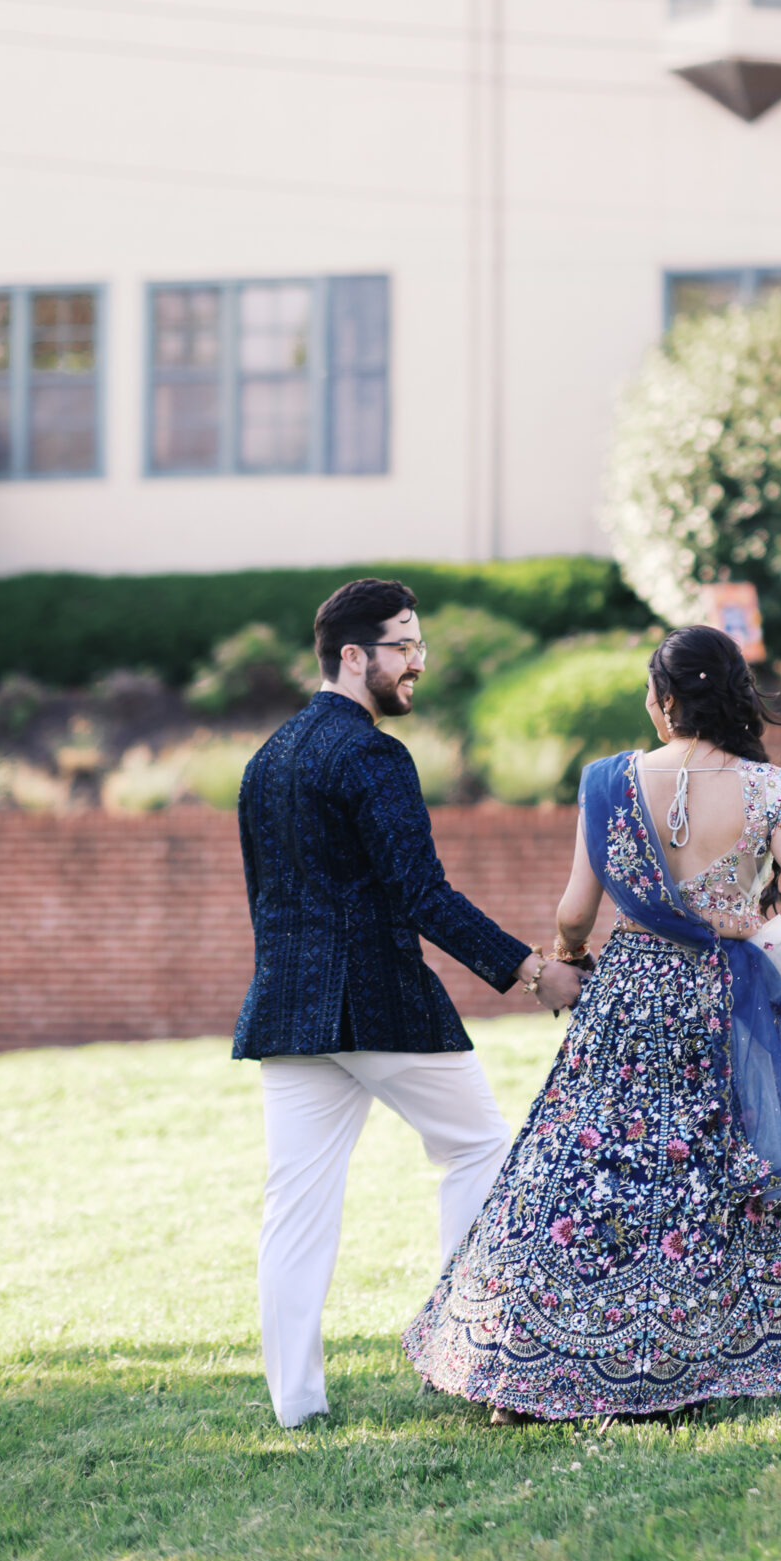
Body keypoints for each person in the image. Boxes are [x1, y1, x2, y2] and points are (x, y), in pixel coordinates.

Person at [404, 624, 781, 1424]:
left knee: (585, 1164)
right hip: (727, 992)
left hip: (627, 990)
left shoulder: (605, 782)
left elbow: (572, 911)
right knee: (758, 1155)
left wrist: (569, 955)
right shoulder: (772, 790)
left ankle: (524, 1362)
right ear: (729, 696)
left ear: (663, 704)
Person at [233, 576, 585, 1430]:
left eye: (419, 646)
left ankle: (297, 1409)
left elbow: (268, 900)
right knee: (476, 1153)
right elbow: (422, 895)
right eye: (404, 647)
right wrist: (535, 972)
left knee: (296, 1208)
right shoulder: (372, 755)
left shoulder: (267, 758)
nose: (417, 663)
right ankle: (475, 1358)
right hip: (379, 1004)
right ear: (353, 656)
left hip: (285, 1011)